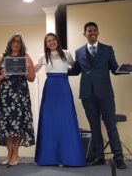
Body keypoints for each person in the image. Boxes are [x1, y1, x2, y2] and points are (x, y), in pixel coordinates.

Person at [69, 22, 127, 169]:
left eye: (95, 30)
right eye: (89, 31)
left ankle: (118, 157)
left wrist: (127, 69)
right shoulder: (79, 51)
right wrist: (58, 71)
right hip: (87, 95)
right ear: (84, 34)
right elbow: (76, 70)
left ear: (98, 33)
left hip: (105, 93)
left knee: (111, 126)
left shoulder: (107, 49)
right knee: (94, 126)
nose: (92, 33)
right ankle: (99, 156)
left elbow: (115, 68)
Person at [34, 33, 86, 166]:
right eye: (48, 41)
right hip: (50, 88)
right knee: (49, 120)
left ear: (57, 41)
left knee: (65, 119)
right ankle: (49, 158)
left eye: (53, 40)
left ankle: (67, 157)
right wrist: (18, 65)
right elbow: (33, 70)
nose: (51, 42)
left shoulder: (66, 53)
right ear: (46, 44)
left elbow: (76, 68)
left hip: (63, 86)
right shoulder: (43, 56)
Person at [0, 33, 35, 166]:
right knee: (6, 124)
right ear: (10, 43)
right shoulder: (1, 57)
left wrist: (23, 71)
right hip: (5, 94)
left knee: (18, 123)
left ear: (21, 44)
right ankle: (9, 153)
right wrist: (3, 75)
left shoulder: (26, 58)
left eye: (18, 42)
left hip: (20, 93)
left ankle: (16, 153)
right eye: (14, 41)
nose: (16, 44)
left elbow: (32, 77)